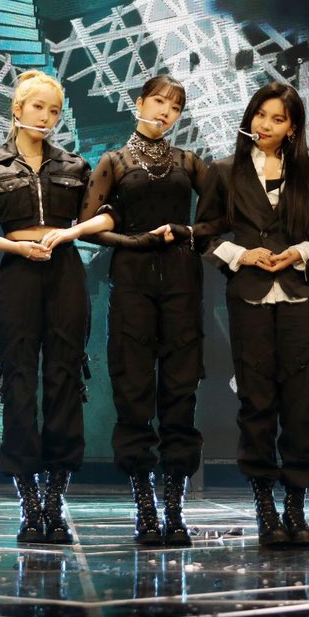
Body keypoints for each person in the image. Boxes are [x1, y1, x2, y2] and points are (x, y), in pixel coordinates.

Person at [44, 75, 215, 547]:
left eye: (175, 107)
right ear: (139, 102)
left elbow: (220, 217)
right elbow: (88, 224)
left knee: (180, 392)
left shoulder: (189, 161)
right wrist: (134, 241)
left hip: (181, 284)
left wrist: (185, 231)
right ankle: (145, 506)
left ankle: (174, 508)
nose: (165, 112)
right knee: (133, 392)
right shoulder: (114, 162)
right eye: (158, 101)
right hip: (132, 285)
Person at [194, 82, 309, 548]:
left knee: (302, 404)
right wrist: (241, 255)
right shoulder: (224, 172)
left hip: (301, 298)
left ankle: (296, 507)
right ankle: (265, 508)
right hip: (249, 297)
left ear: (293, 128)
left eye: (278, 118)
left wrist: (298, 252)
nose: (266, 125)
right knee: (256, 404)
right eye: (260, 114)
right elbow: (205, 235)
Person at [0, 71, 91, 544]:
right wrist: (16, 247)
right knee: (17, 382)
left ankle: (55, 500)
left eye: (54, 110)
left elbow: (100, 216)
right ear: (17, 109)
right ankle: (29, 501)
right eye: (38, 106)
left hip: (65, 273)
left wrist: (69, 233)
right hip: (17, 273)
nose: (46, 117)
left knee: (65, 381)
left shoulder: (75, 165)